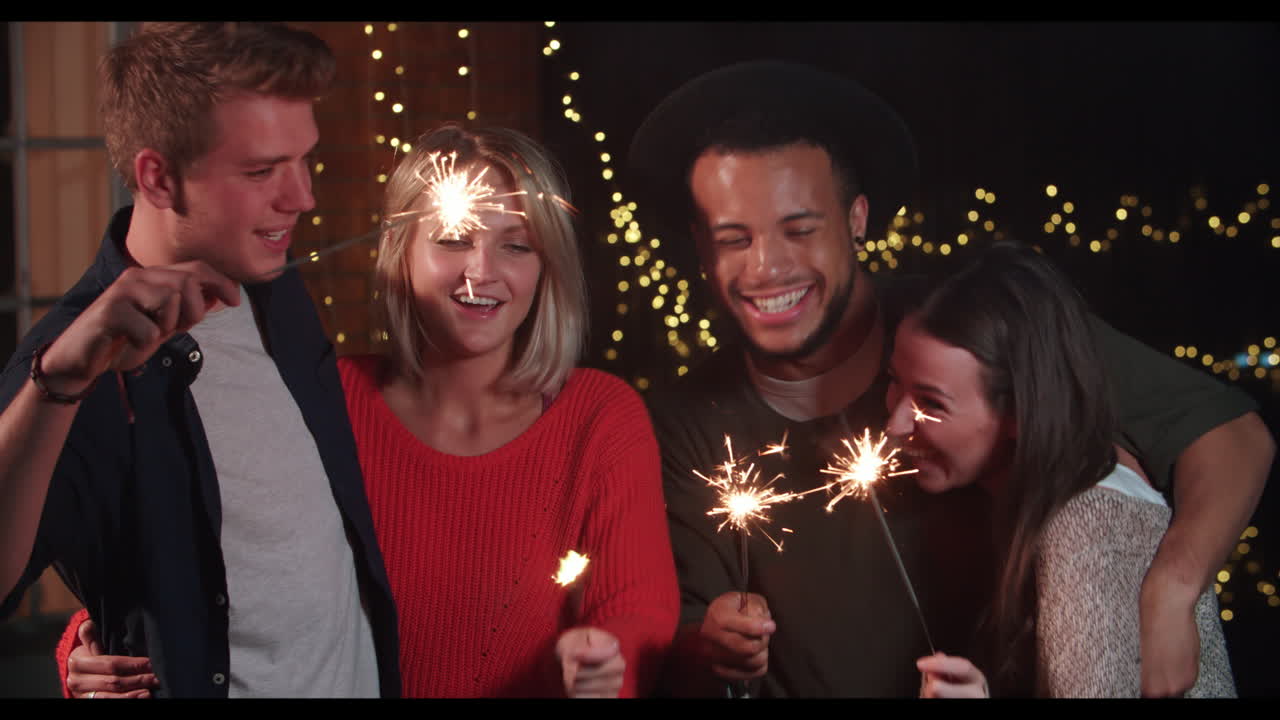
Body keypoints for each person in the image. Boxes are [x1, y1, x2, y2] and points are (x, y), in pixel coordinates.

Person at [626, 60, 1274, 697]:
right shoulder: (680, 422)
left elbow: (1232, 435)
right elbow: (672, 642)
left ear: (856, 218)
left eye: (799, 229)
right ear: (701, 246)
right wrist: (710, 647)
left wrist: (1173, 590)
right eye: (734, 239)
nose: (767, 267)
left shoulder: (967, 329)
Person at [57, 124, 681, 698]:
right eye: (453, 240)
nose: (482, 271)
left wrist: (606, 665)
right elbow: (215, 560)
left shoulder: (600, 418)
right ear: (400, 253)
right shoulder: (326, 398)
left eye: (516, 246)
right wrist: (88, 642)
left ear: (547, 268)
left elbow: (639, 615)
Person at [0, 23, 401, 698]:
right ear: (158, 178)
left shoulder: (273, 281)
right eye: (261, 171)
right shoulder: (73, 369)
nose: (302, 197)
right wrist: (58, 382)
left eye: (303, 160)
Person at [896, 243, 1236, 697]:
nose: (895, 424)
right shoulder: (1062, 493)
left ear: (1018, 411)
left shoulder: (1085, 528)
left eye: (931, 403)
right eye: (894, 383)